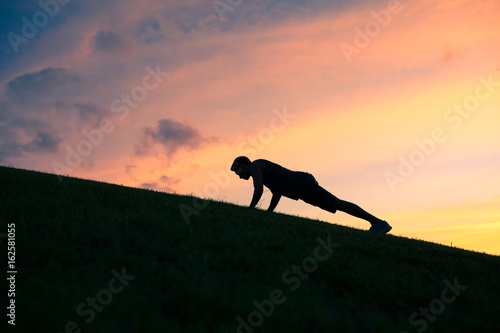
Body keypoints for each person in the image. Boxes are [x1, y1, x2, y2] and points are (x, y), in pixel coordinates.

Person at [230, 156, 392, 233]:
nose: (238, 175)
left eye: (238, 170)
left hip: (302, 183)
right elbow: (277, 193)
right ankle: (377, 223)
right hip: (302, 187)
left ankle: (378, 222)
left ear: (245, 165)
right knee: (336, 204)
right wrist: (269, 213)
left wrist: (249, 210)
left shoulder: (255, 166)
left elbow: (258, 190)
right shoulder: (263, 174)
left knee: (337, 203)